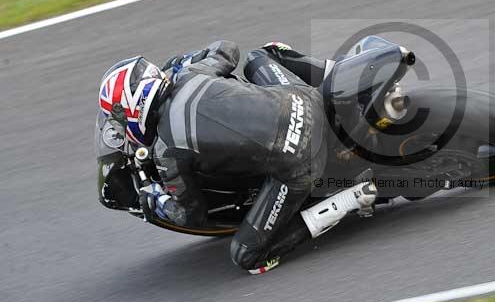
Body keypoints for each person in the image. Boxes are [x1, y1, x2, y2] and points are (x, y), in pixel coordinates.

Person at [97, 41, 375, 274]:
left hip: (299, 162)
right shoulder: (192, 73)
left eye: (119, 114)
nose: (119, 123)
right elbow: (227, 48)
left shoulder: (167, 154)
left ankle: (352, 198)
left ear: (136, 105)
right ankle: (340, 74)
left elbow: (191, 213)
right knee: (261, 56)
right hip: (306, 100)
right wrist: (184, 60)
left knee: (247, 256)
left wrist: (157, 201)